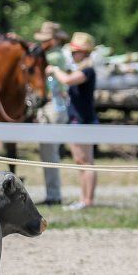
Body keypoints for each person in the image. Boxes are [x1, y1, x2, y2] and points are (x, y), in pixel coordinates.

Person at [46, 32, 98, 210]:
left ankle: (88, 200)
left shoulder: (87, 70)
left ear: (84, 53)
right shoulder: (81, 69)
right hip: (77, 119)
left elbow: (67, 80)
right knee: (80, 161)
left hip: (83, 120)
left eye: (77, 52)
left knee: (86, 162)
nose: (74, 55)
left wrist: (55, 69)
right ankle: (84, 199)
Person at [32, 21, 69, 206]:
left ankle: (54, 195)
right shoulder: (53, 54)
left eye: (46, 40)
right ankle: (52, 193)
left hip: (54, 105)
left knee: (49, 151)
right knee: (48, 151)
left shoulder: (53, 57)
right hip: (52, 104)